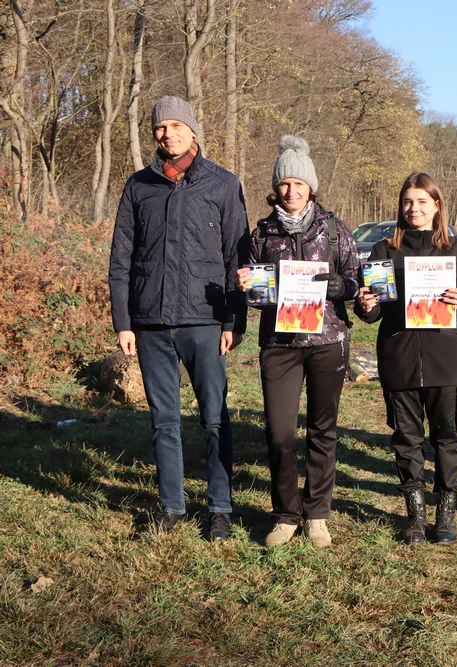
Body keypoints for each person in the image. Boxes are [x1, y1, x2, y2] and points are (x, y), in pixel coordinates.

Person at [109, 96, 250, 540]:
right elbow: (121, 260)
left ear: (192, 131)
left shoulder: (224, 185)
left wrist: (232, 322)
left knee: (214, 417)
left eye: (174, 125)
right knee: (163, 420)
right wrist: (123, 321)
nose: (165, 133)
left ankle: (221, 507)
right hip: (150, 323)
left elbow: (238, 259)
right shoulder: (138, 186)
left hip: (206, 322)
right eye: (159, 127)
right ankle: (171, 506)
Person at [237, 136, 359, 548]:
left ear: (312, 187)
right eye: (284, 184)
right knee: (279, 433)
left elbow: (356, 282)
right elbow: (254, 292)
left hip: (328, 341)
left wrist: (339, 285)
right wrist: (248, 285)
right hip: (280, 344)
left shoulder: (336, 228)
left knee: (323, 430)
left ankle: (317, 514)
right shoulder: (262, 233)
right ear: (276, 187)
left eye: (299, 184)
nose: (291, 192)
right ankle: (286, 514)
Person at [354, 172, 457, 546]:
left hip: (446, 355)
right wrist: (366, 305)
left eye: (422, 202)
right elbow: (371, 310)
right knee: (406, 438)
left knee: (448, 437)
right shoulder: (384, 250)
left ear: (437, 206)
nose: (414, 209)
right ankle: (414, 516)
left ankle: (445, 516)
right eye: (408, 202)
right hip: (399, 355)